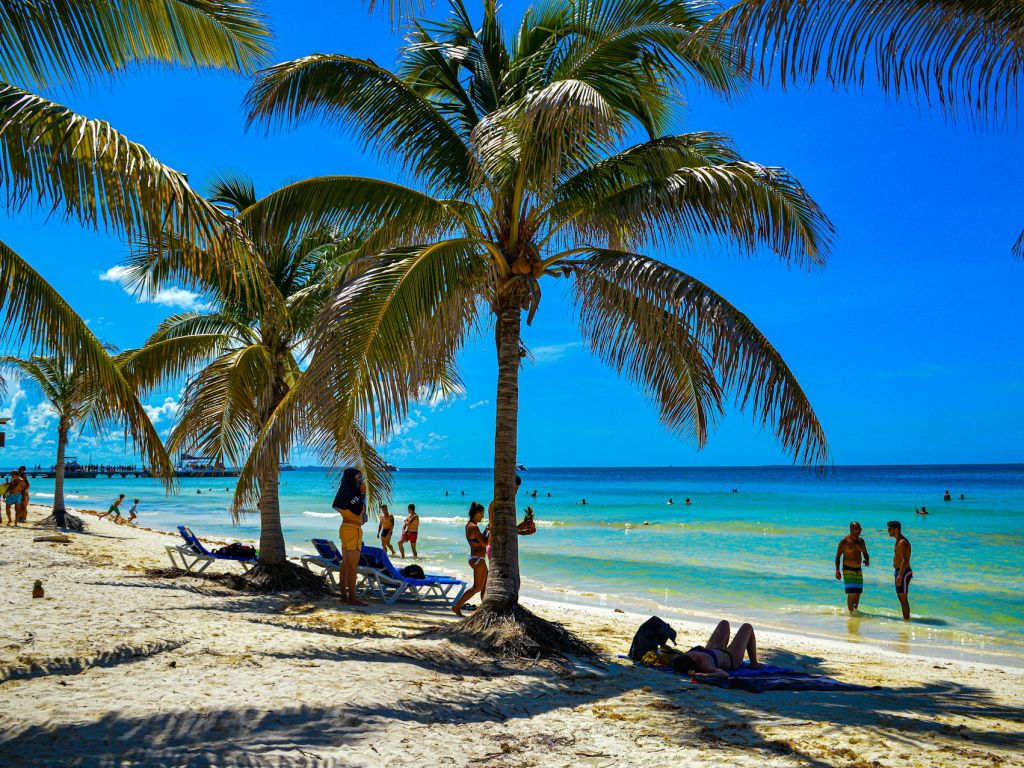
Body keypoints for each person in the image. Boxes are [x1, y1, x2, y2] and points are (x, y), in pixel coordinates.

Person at [657, 620, 763, 680]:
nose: (694, 654)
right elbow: (724, 675)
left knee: (724, 623)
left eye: (691, 655)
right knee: (747, 627)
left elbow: (672, 658)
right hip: (731, 658)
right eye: (694, 657)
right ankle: (754, 663)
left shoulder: (688, 656)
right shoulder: (705, 666)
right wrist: (701, 675)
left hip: (713, 649)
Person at [333, 467, 368, 606]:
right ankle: (352, 597)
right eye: (357, 478)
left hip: (345, 528)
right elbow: (360, 509)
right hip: (353, 531)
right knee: (352, 566)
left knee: (345, 564)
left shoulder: (343, 493)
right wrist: (363, 493)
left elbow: (346, 510)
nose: (359, 480)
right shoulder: (354, 496)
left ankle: (344, 596)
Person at [452, 502, 488, 616]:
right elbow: (485, 543)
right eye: (482, 513)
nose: (483, 516)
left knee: (485, 586)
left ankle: (484, 609)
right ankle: (456, 606)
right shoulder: (473, 527)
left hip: (477, 558)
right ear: (477, 513)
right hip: (478, 559)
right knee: (477, 587)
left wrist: (486, 531)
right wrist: (492, 533)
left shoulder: (470, 525)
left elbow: (479, 540)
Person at [834, 522, 870, 612]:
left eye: (859, 529)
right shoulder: (844, 541)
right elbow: (838, 556)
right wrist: (837, 571)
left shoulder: (861, 541)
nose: (858, 531)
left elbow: (865, 553)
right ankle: (851, 614)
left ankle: (854, 612)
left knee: (858, 592)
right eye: (856, 529)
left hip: (858, 569)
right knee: (852, 592)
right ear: (850, 529)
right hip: (848, 569)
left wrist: (867, 560)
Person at [888, 520, 913, 621]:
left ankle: (906, 621)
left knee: (903, 598)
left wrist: (900, 576)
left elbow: (905, 560)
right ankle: (906, 620)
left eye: (890, 529)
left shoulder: (902, 542)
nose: (888, 531)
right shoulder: (898, 541)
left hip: (903, 572)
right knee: (901, 598)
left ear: (896, 529)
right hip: (900, 571)